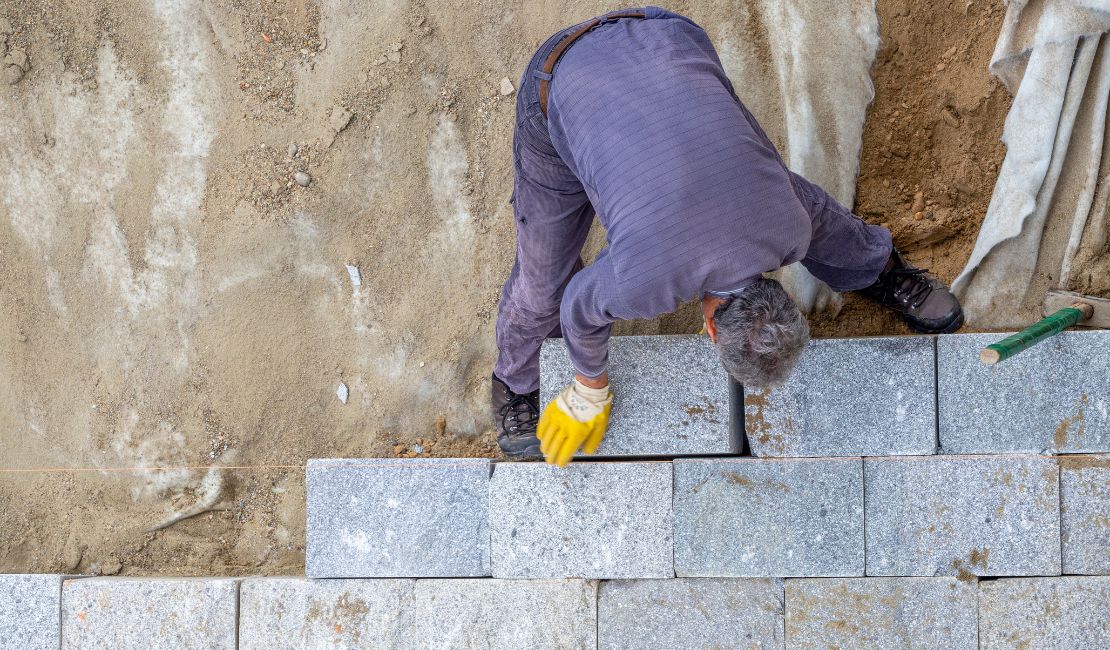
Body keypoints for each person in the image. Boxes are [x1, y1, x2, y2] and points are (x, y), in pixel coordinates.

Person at [491, 7, 963, 466]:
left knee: (801, 202)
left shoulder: (787, 225)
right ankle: (514, 380)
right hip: (560, 78)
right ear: (711, 330)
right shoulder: (644, 282)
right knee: (544, 288)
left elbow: (825, 219)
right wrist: (589, 386)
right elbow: (580, 304)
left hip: (667, 34)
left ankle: (881, 271)